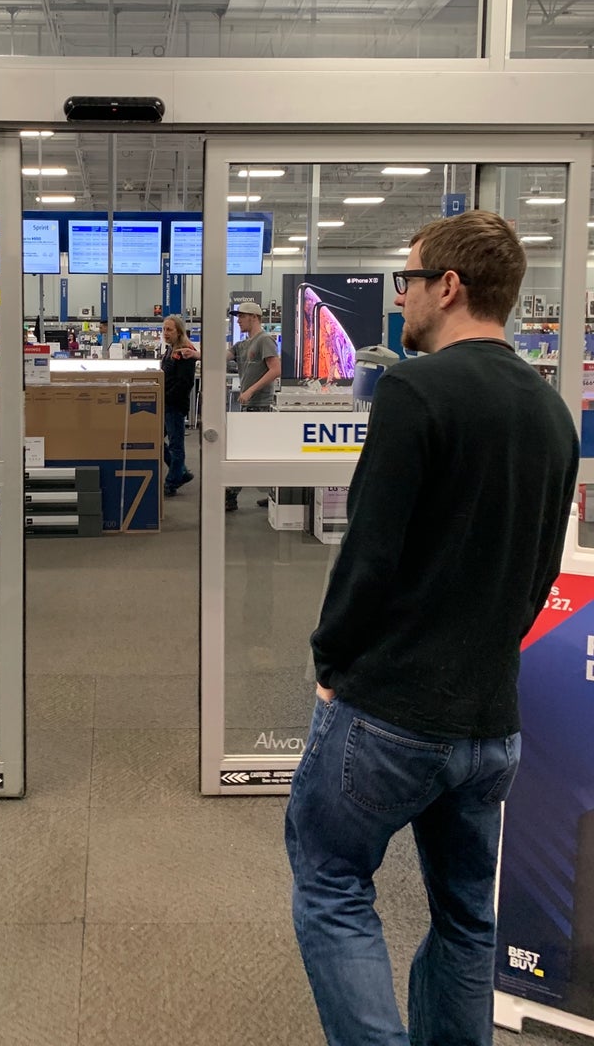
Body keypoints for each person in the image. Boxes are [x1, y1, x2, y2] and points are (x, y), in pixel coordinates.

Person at [285, 210, 578, 1046]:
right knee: (465, 917)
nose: (401, 297)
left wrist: (331, 663)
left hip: (390, 714)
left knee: (333, 884)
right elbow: (539, 574)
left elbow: (369, 556)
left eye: (408, 280)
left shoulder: (415, 393)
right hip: (491, 725)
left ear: (448, 287)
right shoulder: (552, 412)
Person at [225, 301, 280, 512]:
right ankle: (275, 494)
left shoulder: (264, 340)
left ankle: (231, 495)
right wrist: (193, 354)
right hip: (250, 406)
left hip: (260, 405)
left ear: (254, 317)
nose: (238, 321)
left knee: (244, 451)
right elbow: (221, 357)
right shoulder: (242, 345)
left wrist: (250, 390)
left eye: (241, 316)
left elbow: (276, 369)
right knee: (259, 452)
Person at [161, 313, 198, 496]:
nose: (165, 333)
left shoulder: (185, 351)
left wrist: (167, 397)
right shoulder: (170, 349)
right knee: (155, 440)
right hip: (165, 404)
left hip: (175, 405)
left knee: (176, 445)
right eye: (164, 329)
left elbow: (185, 382)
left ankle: (172, 482)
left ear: (179, 332)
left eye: (169, 330)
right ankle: (181, 472)